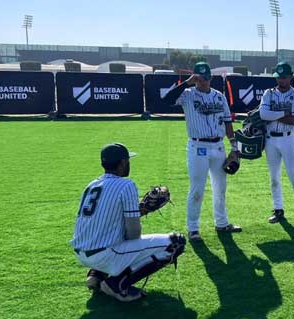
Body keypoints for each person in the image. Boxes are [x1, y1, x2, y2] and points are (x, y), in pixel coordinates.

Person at [71, 143, 186, 302]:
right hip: (104, 255)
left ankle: (96, 275)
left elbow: (105, 218)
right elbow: (133, 233)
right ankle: (116, 284)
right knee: (176, 242)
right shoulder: (127, 185)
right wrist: (136, 252)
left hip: (80, 252)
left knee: (111, 235)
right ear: (123, 163)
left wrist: (142, 210)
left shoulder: (91, 185)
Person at [162, 61, 241, 240]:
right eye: (199, 78)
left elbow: (228, 122)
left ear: (210, 78)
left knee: (220, 187)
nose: (203, 82)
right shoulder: (187, 94)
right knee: (197, 188)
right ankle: (193, 228)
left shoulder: (219, 96)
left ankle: (221, 223)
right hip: (198, 146)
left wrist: (234, 147)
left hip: (218, 146)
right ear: (194, 77)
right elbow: (165, 100)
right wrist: (187, 82)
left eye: (205, 78)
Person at [259, 62, 294, 225]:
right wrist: (284, 113)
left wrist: (273, 114)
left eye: (284, 77)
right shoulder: (269, 93)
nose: (281, 80)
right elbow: (262, 114)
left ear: (290, 77)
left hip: (287, 138)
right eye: (278, 77)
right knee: (274, 177)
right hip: (271, 139)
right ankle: (278, 210)